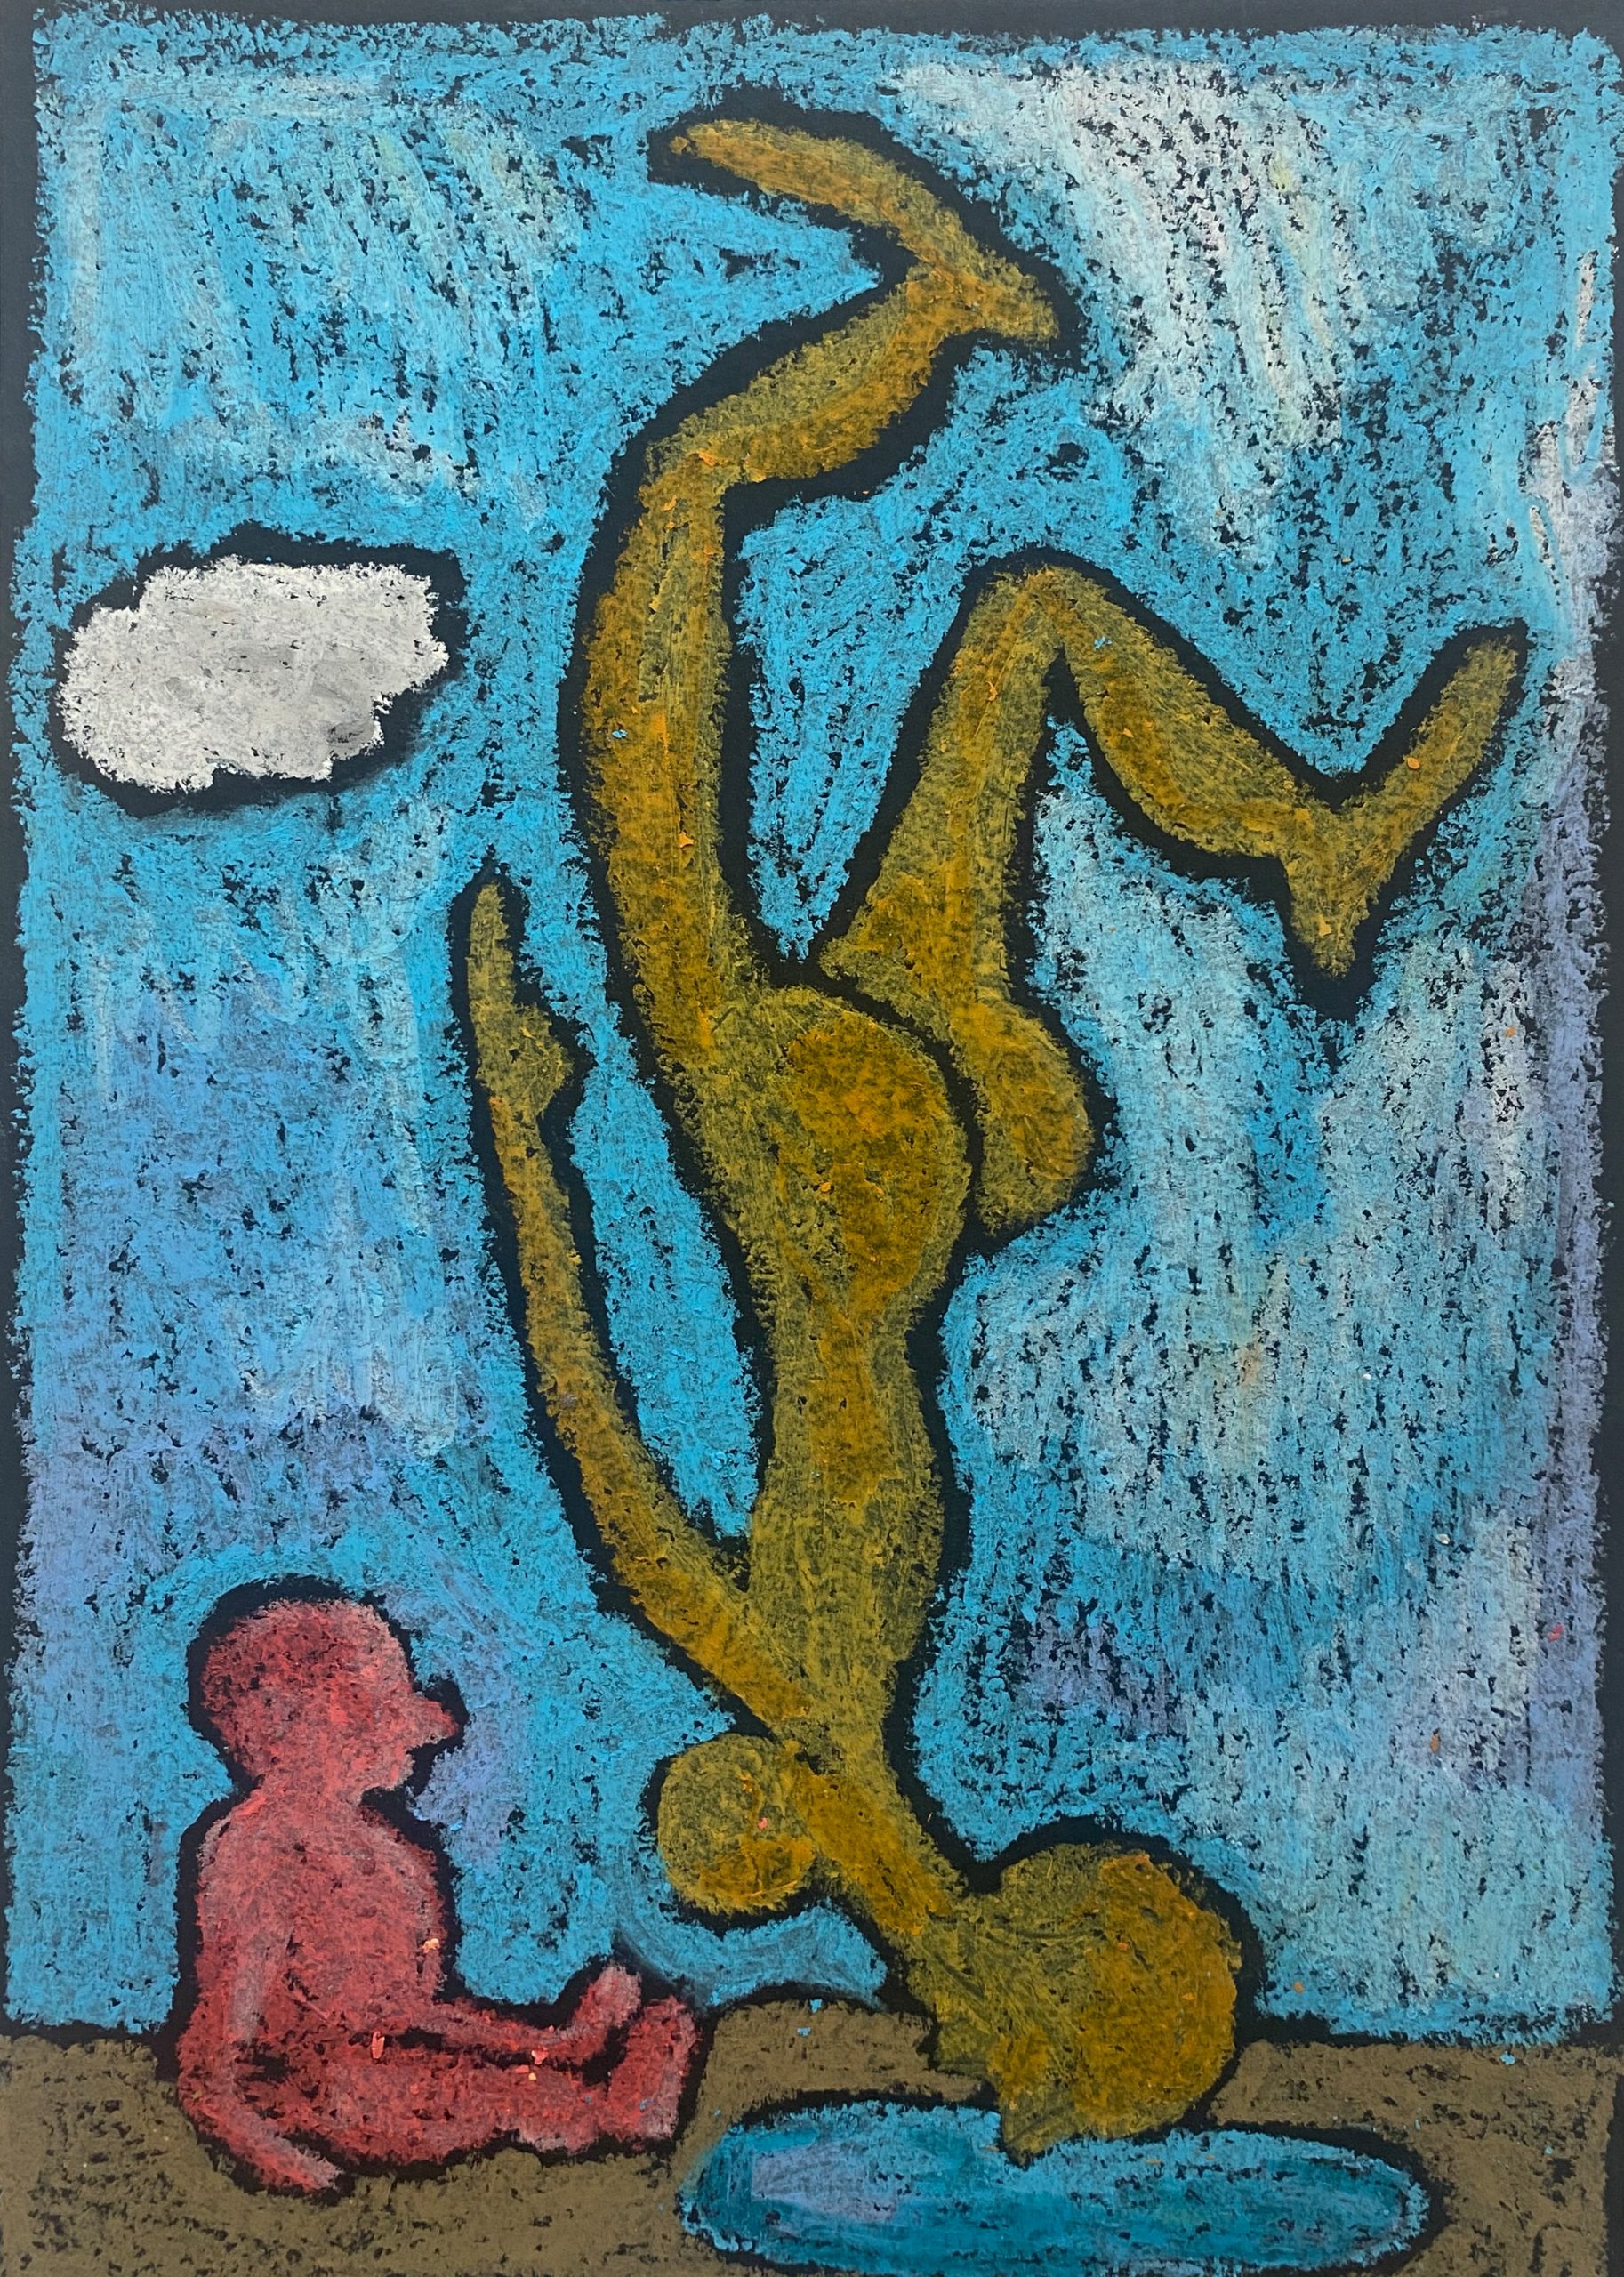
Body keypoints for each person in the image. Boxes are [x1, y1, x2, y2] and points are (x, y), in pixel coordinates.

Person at [173, 1590, 698, 2193]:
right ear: (285, 1733)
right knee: (511, 2099)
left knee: (498, 2078)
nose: (408, 1735)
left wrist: (547, 2042)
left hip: (395, 2057)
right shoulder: (259, 1851)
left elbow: (413, 2013)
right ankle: (611, 2109)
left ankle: (581, 2069)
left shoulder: (383, 1846)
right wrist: (276, 2155)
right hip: (327, 2089)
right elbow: (218, 2048)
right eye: (374, 1713)